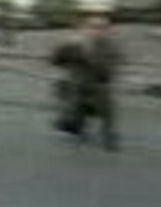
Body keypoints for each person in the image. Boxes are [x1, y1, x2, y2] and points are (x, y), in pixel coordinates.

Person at [50, 13, 124, 151]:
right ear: (84, 28)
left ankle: (108, 132)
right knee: (63, 87)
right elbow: (55, 61)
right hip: (75, 92)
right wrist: (65, 46)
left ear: (107, 31)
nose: (95, 30)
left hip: (97, 92)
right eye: (91, 27)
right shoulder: (75, 44)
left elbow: (105, 74)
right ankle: (71, 123)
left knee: (105, 96)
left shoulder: (111, 48)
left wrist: (86, 54)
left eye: (101, 27)